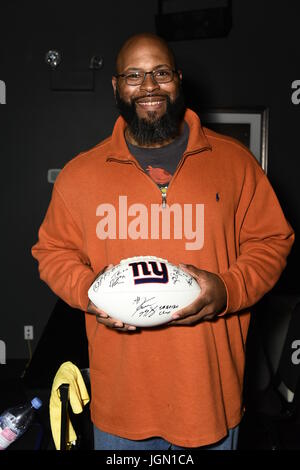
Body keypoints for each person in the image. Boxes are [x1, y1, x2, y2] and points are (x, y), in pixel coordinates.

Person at [31, 32, 294, 450]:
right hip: (121, 406)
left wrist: (227, 289)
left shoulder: (235, 163)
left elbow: (272, 240)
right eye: (134, 75)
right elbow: (52, 251)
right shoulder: (79, 175)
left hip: (208, 401)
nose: (149, 85)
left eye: (160, 72)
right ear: (116, 86)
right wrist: (90, 291)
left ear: (179, 79)